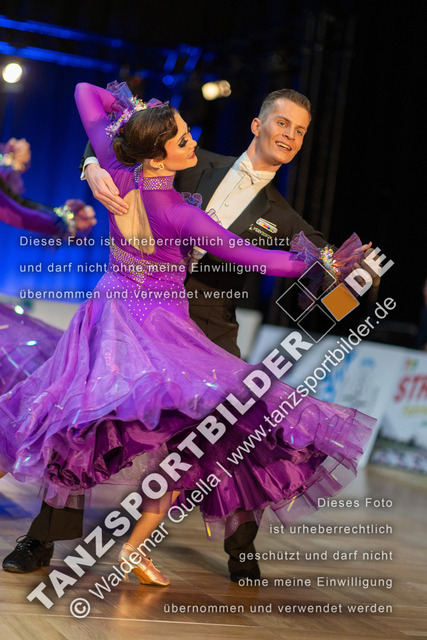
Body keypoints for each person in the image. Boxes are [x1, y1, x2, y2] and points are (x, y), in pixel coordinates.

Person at [0, 81, 374, 586]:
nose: (290, 135)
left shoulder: (287, 218)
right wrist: (91, 167)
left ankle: (239, 547)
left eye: (301, 131)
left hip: (207, 329)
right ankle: (42, 538)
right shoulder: (191, 159)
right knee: (85, 418)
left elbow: (316, 282)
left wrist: (351, 275)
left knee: (234, 431)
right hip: (139, 321)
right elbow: (124, 137)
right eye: (283, 123)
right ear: (257, 124)